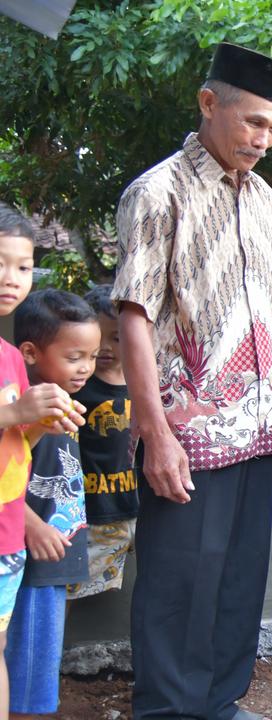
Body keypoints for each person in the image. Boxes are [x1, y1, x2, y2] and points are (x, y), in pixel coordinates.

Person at [113, 43, 272, 720]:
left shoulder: (265, 197)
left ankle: (218, 702)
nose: (263, 140)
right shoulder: (158, 192)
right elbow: (134, 315)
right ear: (209, 104)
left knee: (238, 579)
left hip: (255, 423)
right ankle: (166, 710)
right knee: (178, 581)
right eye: (253, 123)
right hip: (185, 430)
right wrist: (153, 432)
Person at [0, 206, 84, 720]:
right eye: (0, 262)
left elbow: (12, 448)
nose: (11, 278)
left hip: (6, 532)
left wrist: (36, 423)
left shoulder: (10, 356)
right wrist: (14, 410)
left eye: (24, 266)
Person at [7, 289, 98, 717]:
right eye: (74, 355)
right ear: (30, 352)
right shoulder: (21, 405)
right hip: (29, 554)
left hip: (53, 548)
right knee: (26, 667)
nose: (86, 367)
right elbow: (8, 476)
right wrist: (32, 526)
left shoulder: (64, 401)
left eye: (92, 356)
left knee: (39, 661)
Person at [67, 284, 137, 600]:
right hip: (90, 512)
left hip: (135, 508)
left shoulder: (144, 388)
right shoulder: (76, 388)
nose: (106, 347)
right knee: (67, 587)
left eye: (117, 338)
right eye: (98, 338)